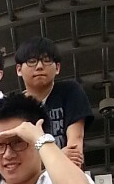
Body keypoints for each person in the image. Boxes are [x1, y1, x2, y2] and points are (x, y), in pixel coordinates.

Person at [14, 36, 94, 166]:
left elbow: (75, 146)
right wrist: (57, 157)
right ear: (19, 69)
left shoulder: (70, 91)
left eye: (46, 61)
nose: (39, 66)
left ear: (57, 68)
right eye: (32, 61)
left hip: (67, 173)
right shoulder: (13, 106)